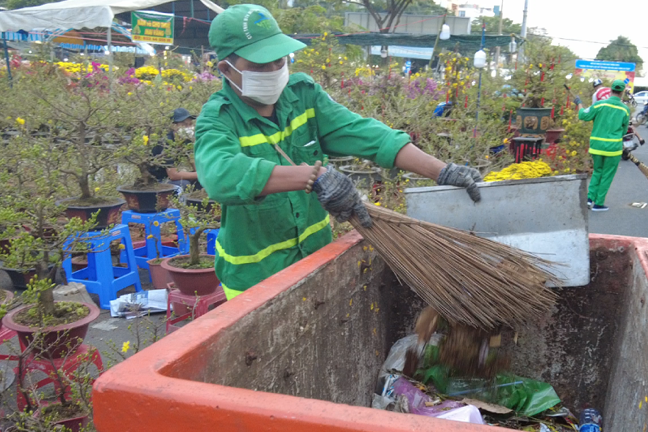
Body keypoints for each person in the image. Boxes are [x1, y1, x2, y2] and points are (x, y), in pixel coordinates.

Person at [194, 4, 483, 301]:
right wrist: (314, 176)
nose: (272, 71)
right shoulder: (218, 119)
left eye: (278, 61)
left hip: (314, 261)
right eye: (258, 66)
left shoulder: (303, 95)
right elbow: (221, 176)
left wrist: (441, 170)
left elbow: (365, 134)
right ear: (226, 69)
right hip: (255, 280)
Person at [576, 79, 630, 212]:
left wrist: (579, 104)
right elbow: (624, 131)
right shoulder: (625, 110)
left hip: (596, 147)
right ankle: (599, 204)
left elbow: (583, 115)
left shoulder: (599, 105)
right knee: (607, 175)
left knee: (597, 172)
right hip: (613, 149)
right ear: (622, 93)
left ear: (611, 90)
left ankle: (589, 199)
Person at [151, 108, 202, 191]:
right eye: (185, 125)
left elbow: (193, 161)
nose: (189, 128)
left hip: (172, 179)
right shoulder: (166, 142)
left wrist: (204, 174)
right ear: (173, 126)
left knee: (203, 182)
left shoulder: (186, 139)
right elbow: (173, 175)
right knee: (184, 184)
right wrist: (200, 175)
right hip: (160, 181)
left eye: (190, 124)